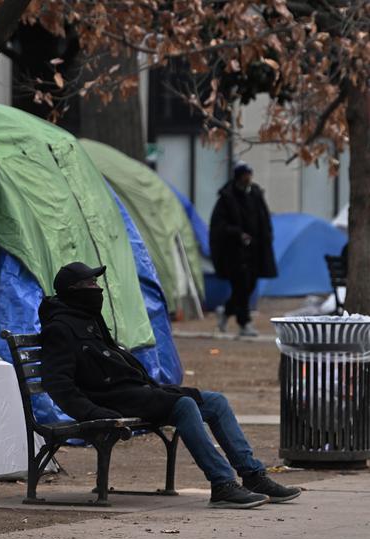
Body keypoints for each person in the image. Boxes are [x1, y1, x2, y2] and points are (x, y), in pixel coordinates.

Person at [39, 262, 300, 509]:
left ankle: (253, 474)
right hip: (111, 400)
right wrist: (95, 414)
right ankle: (222, 484)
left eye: (97, 282)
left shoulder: (87, 317)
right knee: (183, 406)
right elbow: (58, 384)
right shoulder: (60, 328)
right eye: (90, 284)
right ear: (74, 291)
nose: (98, 288)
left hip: (135, 392)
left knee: (216, 402)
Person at [209, 161, 277, 336]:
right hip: (234, 253)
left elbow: (263, 218)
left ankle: (226, 311)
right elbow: (219, 226)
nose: (248, 178)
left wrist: (266, 237)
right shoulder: (227, 198)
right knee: (241, 285)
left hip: (255, 250)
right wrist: (237, 234)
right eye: (245, 175)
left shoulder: (255, 194)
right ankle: (244, 322)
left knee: (248, 286)